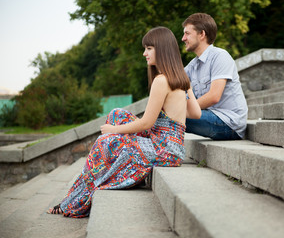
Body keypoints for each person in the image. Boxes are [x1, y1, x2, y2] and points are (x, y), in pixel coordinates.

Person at [47, 26, 201, 218]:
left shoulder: (162, 81)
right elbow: (196, 113)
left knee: (105, 141)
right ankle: (105, 176)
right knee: (117, 114)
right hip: (171, 146)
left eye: (149, 48)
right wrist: (181, 99)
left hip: (164, 150)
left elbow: (146, 123)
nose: (144, 53)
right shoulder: (182, 79)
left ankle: (74, 201)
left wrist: (113, 130)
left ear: (162, 49)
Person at [182, 13, 248, 140]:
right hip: (210, 116)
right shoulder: (193, 65)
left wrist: (179, 110)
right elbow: (174, 82)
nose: (183, 38)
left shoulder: (220, 56)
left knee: (170, 115)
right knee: (165, 114)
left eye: (187, 33)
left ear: (202, 34)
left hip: (229, 123)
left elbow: (214, 97)